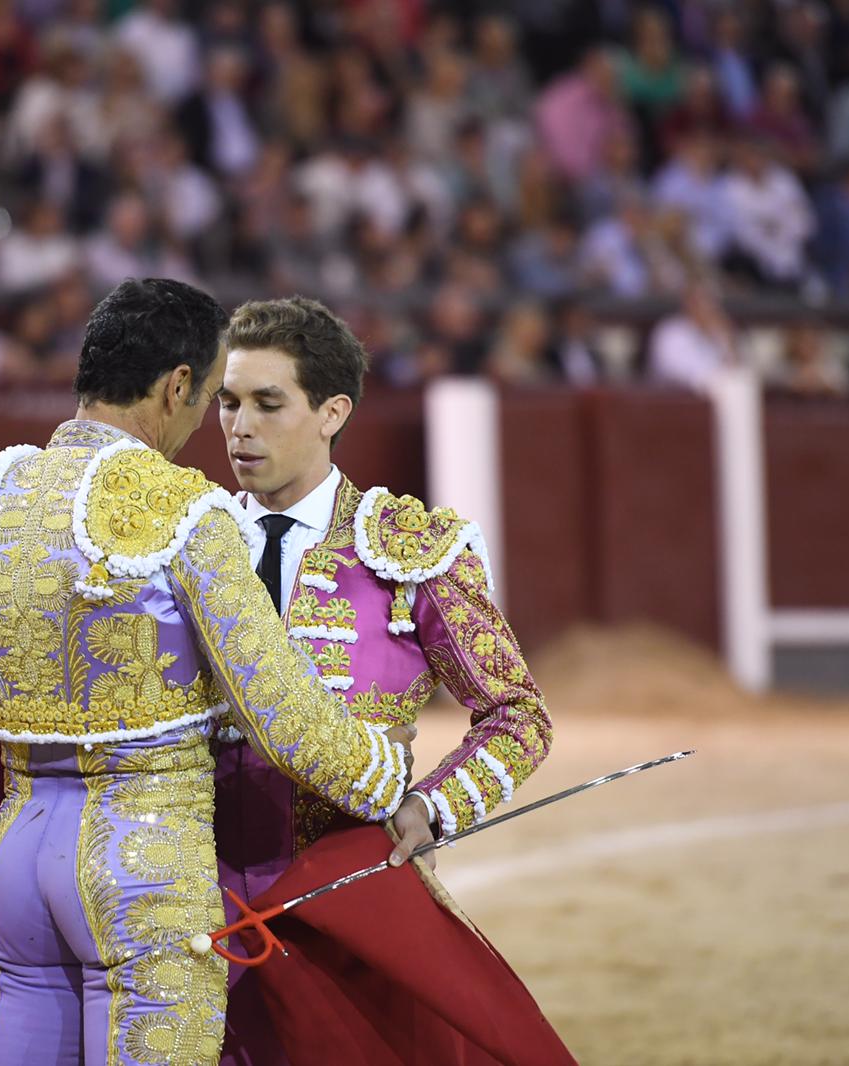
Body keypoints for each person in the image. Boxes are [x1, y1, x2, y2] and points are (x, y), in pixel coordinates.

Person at [0, 278, 423, 1065]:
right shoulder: (183, 511)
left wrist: (30, 779)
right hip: (145, 861)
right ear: (177, 386)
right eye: (209, 396)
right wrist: (387, 781)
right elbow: (282, 717)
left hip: (17, 864)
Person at [213, 296, 557, 1064]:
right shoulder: (188, 543)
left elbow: (517, 714)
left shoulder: (408, 551)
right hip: (192, 905)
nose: (239, 426)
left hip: (346, 906)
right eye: (228, 402)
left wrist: (434, 805)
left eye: (268, 403)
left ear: (332, 412)